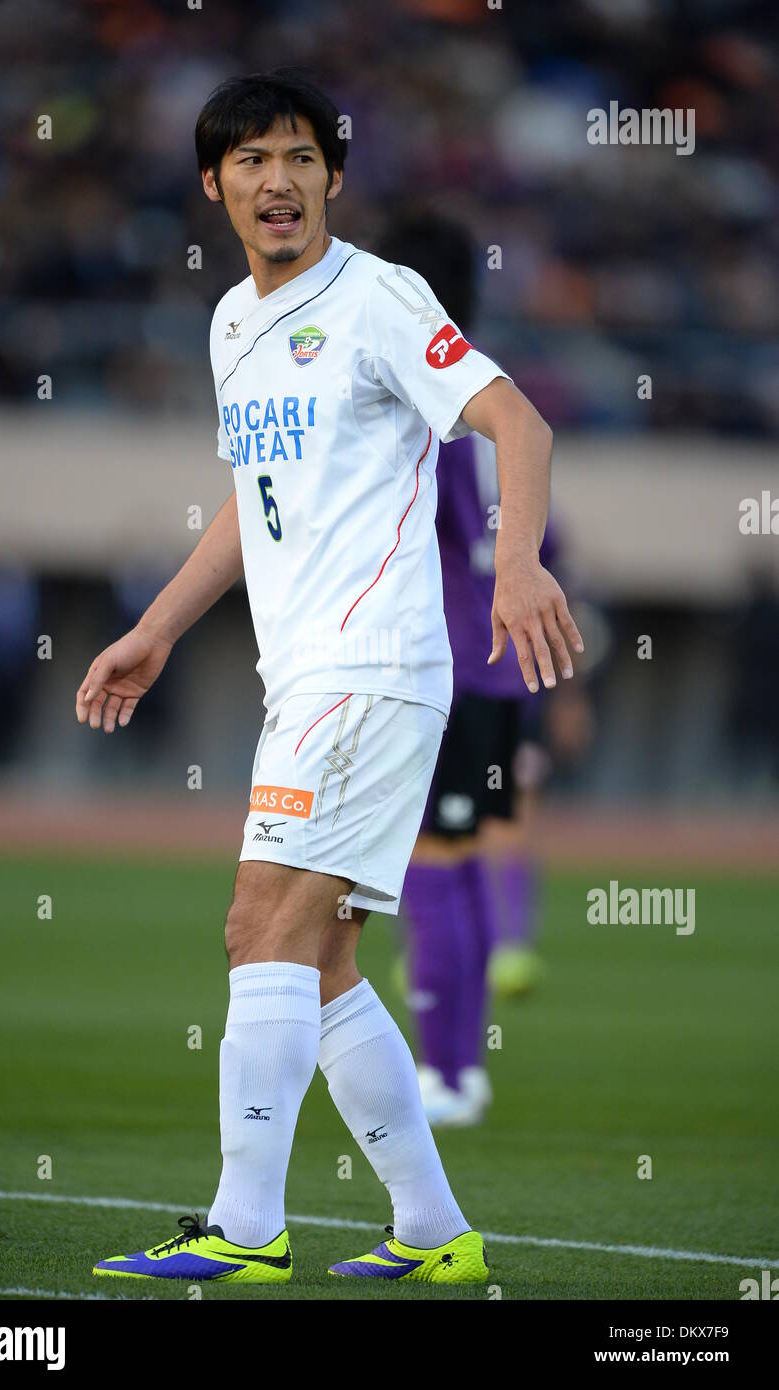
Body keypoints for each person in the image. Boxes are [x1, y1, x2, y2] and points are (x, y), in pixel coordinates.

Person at [75, 69, 582, 1285]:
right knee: (322, 959)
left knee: (259, 927)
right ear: (214, 185)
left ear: (334, 177)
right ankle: (431, 1229)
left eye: (300, 157)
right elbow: (253, 508)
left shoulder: (382, 298)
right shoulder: (231, 325)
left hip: (371, 670)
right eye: (250, 160)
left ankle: (244, 1228)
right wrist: (155, 628)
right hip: (303, 676)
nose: (278, 180)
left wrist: (515, 565)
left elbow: (519, 422)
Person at [376, 215, 558, 1127]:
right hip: (497, 676)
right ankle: (464, 1067)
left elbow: (421, 525)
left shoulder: (431, 402)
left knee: (431, 866)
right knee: (468, 859)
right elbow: (537, 536)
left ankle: (445, 1073)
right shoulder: (496, 397)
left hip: (443, 667)